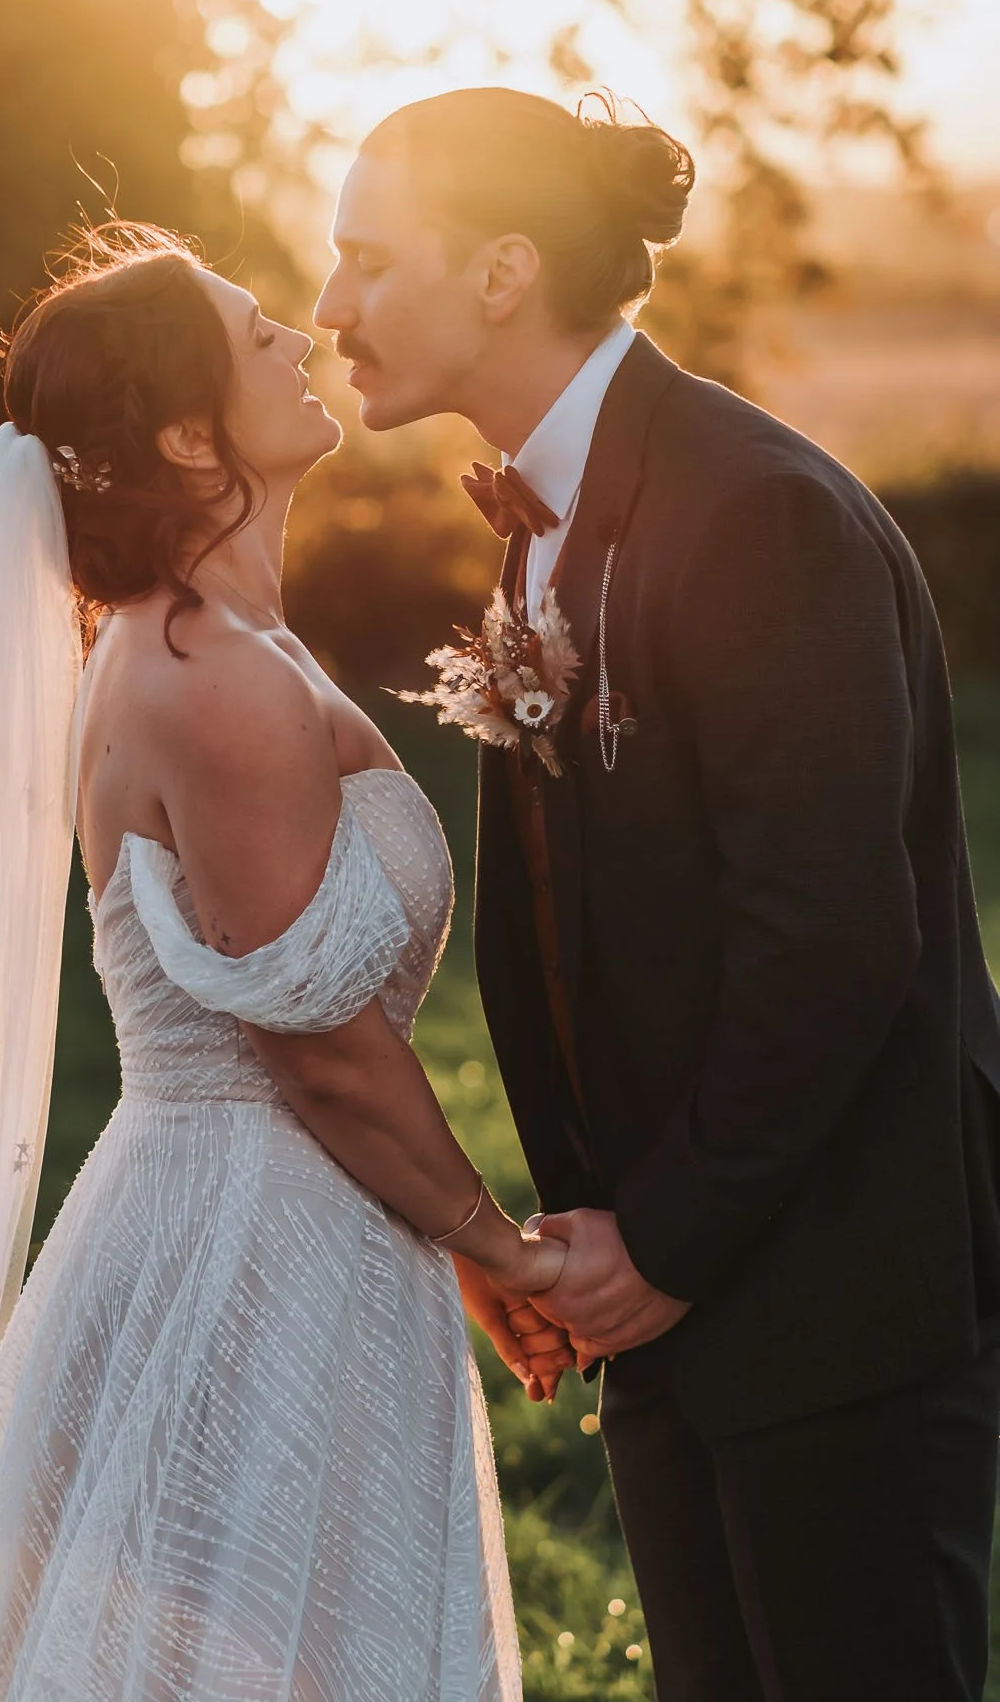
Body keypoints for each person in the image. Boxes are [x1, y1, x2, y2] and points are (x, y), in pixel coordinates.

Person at [0, 222, 570, 1702]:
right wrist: (496, 1242)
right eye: (255, 329)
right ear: (187, 432)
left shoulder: (234, 645)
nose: (298, 334)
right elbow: (322, 1050)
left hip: (301, 1227)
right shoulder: (203, 677)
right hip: (249, 1260)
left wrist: (436, 1233)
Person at [315, 84, 1000, 1702]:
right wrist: (596, 1247)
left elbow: (829, 940)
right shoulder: (545, 520)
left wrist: (664, 1243)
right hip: (670, 1285)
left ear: (499, 271)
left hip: (836, 1284)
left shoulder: (754, 513)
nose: (330, 306)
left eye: (366, 259)